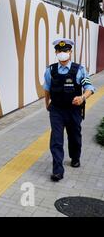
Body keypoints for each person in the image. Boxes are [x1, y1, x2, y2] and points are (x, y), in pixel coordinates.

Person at [43, 38, 95, 182]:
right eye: (60, 51)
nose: (62, 53)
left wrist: (82, 98)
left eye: (65, 51)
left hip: (74, 110)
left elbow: (90, 88)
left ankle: (75, 157)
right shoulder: (50, 70)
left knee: (74, 137)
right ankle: (57, 171)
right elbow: (47, 89)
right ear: (56, 53)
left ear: (70, 52)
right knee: (56, 139)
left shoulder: (79, 70)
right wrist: (46, 104)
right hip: (57, 110)